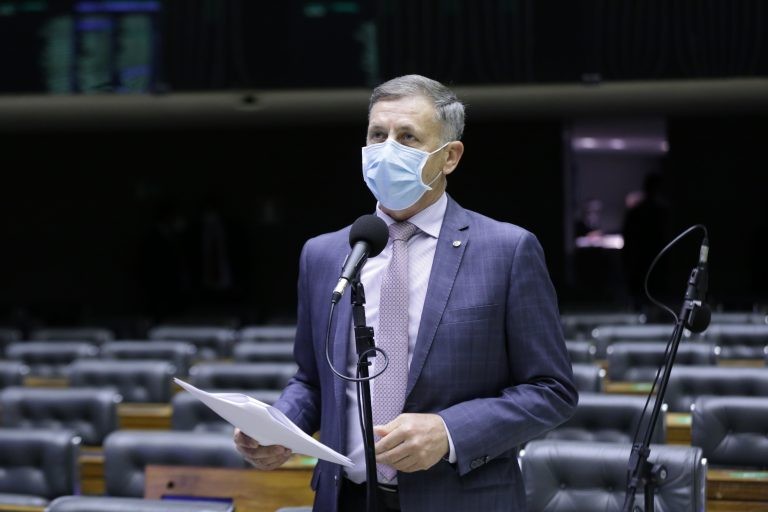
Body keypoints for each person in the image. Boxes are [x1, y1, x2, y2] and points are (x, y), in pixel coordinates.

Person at [234, 74, 577, 511]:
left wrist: (449, 432)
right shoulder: (323, 254)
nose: (386, 149)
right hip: (345, 498)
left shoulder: (507, 251)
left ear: (449, 157)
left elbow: (551, 390)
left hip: (459, 499)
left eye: (407, 137)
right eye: (378, 135)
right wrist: (281, 426)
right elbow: (313, 381)